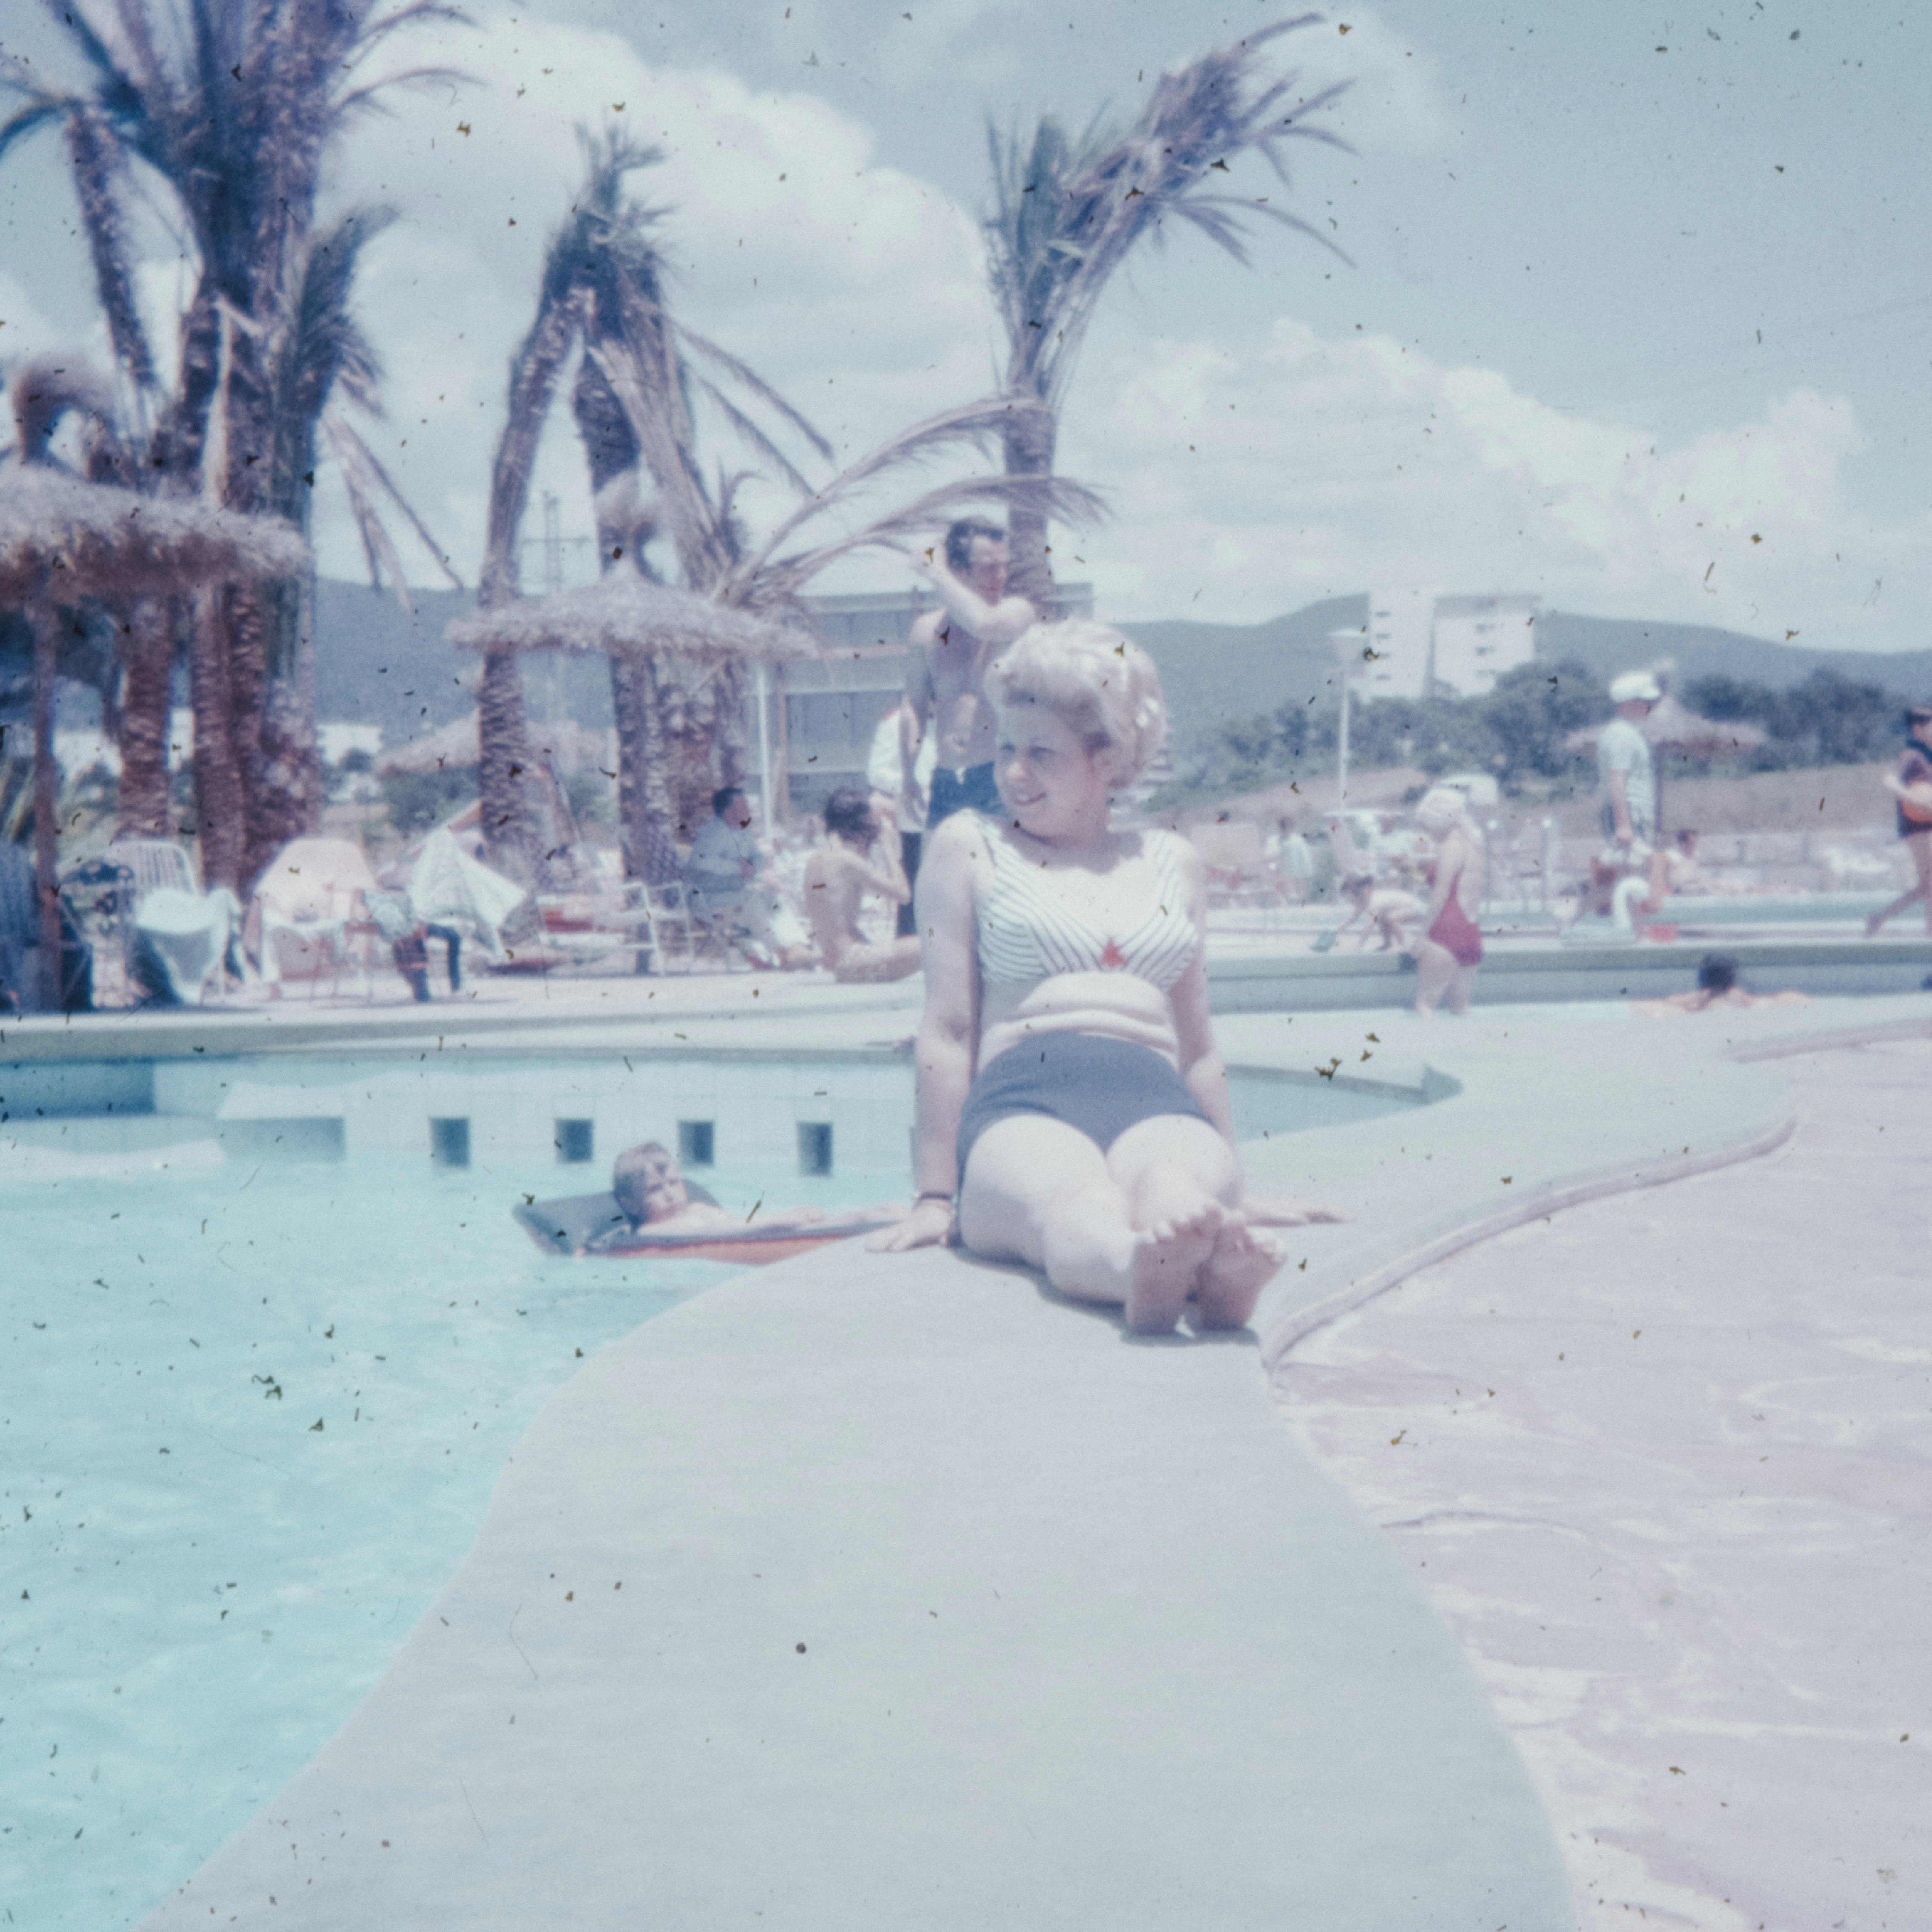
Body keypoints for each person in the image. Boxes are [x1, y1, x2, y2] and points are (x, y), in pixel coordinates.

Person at [868, 619, 1342, 1336]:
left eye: (1041, 754)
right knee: (1071, 1198)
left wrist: (1234, 1192)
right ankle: (1137, 1269)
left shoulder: (1170, 861)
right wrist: (937, 1195)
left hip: (1158, 1099)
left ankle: (1211, 1260)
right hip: (1022, 1101)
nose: (1013, 773)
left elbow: (1199, 1046)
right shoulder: (972, 847)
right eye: (1006, 748)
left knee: (1174, 1183)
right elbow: (948, 1026)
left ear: (1109, 760)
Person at [897, 519, 1037, 834]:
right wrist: (908, 775)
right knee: (938, 879)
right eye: (989, 567)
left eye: (1004, 566)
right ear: (958, 569)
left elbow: (983, 623)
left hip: (1000, 774)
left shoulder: (1017, 613)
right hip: (947, 777)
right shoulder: (925, 631)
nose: (1001, 577)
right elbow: (914, 706)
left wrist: (933, 570)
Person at [802, 786, 923, 982]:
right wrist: (887, 844)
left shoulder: (815, 860)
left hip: (837, 962)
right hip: (853, 962)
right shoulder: (846, 860)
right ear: (861, 827)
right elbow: (903, 894)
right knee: (934, 944)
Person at [682, 785, 810, 968]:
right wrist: (737, 868)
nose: (748, 810)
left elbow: (759, 859)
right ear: (729, 811)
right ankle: (782, 951)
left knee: (773, 898)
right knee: (754, 901)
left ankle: (798, 944)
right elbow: (700, 863)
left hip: (732, 895)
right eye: (744, 806)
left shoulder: (743, 833)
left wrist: (752, 866)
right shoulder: (712, 833)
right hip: (707, 899)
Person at [1411, 788, 1487, 1016]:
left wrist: (1421, 934)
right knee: (1461, 1010)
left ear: (1438, 821)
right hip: (1471, 934)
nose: (1426, 831)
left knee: (1425, 1006)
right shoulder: (1474, 846)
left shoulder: (1450, 847)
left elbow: (1440, 894)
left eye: (1427, 825)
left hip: (1446, 930)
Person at [865, 702, 936, 939]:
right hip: (918, 820)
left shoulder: (960, 717)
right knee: (915, 897)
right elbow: (876, 772)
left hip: (958, 818)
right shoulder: (897, 722)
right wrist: (912, 787)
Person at [1597, 671, 1667, 909]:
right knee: (1646, 868)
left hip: (1634, 811)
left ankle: (1637, 931)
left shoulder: (1626, 733)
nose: (1649, 706)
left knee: (1632, 876)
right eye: (1644, 702)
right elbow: (1616, 781)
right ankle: (1571, 912)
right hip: (1631, 812)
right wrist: (1624, 824)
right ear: (1629, 703)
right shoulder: (1622, 735)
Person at [1863, 703, 1932, 938]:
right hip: (1918, 823)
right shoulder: (1911, 755)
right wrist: (1913, 798)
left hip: (1928, 820)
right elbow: (1889, 780)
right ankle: (1929, 938)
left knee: (1928, 885)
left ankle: (1879, 918)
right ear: (1918, 729)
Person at [1631, 952, 1811, 1017]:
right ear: (1732, 980)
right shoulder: (1744, 1000)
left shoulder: (1690, 1003)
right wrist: (1756, 1000)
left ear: (1702, 981)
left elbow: (1638, 1008)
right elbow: (1800, 1001)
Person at [1330, 873, 1425, 952]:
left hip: (1417, 909)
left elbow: (1369, 926)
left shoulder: (1374, 902)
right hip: (1410, 909)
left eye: (1351, 899)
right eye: (1348, 900)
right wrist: (1336, 931)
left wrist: (1359, 946)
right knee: (1383, 918)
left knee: (1391, 918)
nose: (1351, 903)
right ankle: (1387, 944)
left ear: (1363, 894)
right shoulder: (1363, 902)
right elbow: (1352, 919)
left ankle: (1402, 945)